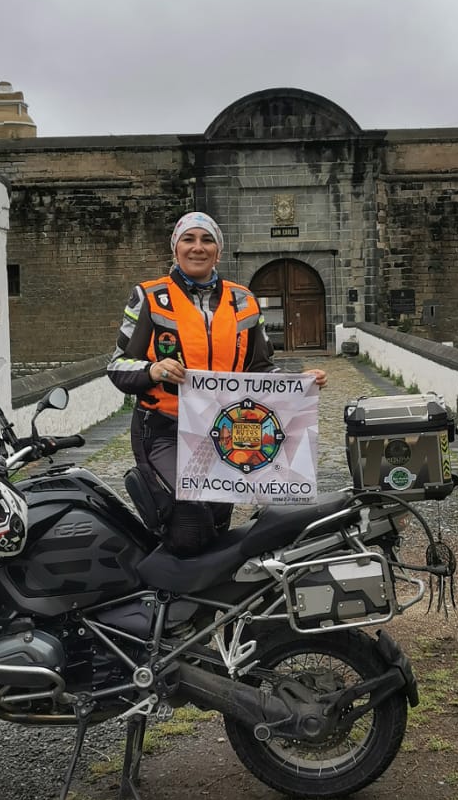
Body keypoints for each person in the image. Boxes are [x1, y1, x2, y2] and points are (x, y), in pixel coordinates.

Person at [108, 210, 326, 554]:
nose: (198, 247)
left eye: (207, 240)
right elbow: (118, 367)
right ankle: (163, 589)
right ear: (175, 248)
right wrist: (154, 370)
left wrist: (297, 384)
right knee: (189, 517)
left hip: (227, 431)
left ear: (218, 252)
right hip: (166, 429)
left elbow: (260, 368)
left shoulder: (243, 301)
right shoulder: (150, 298)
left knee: (217, 523)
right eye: (189, 239)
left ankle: (209, 605)